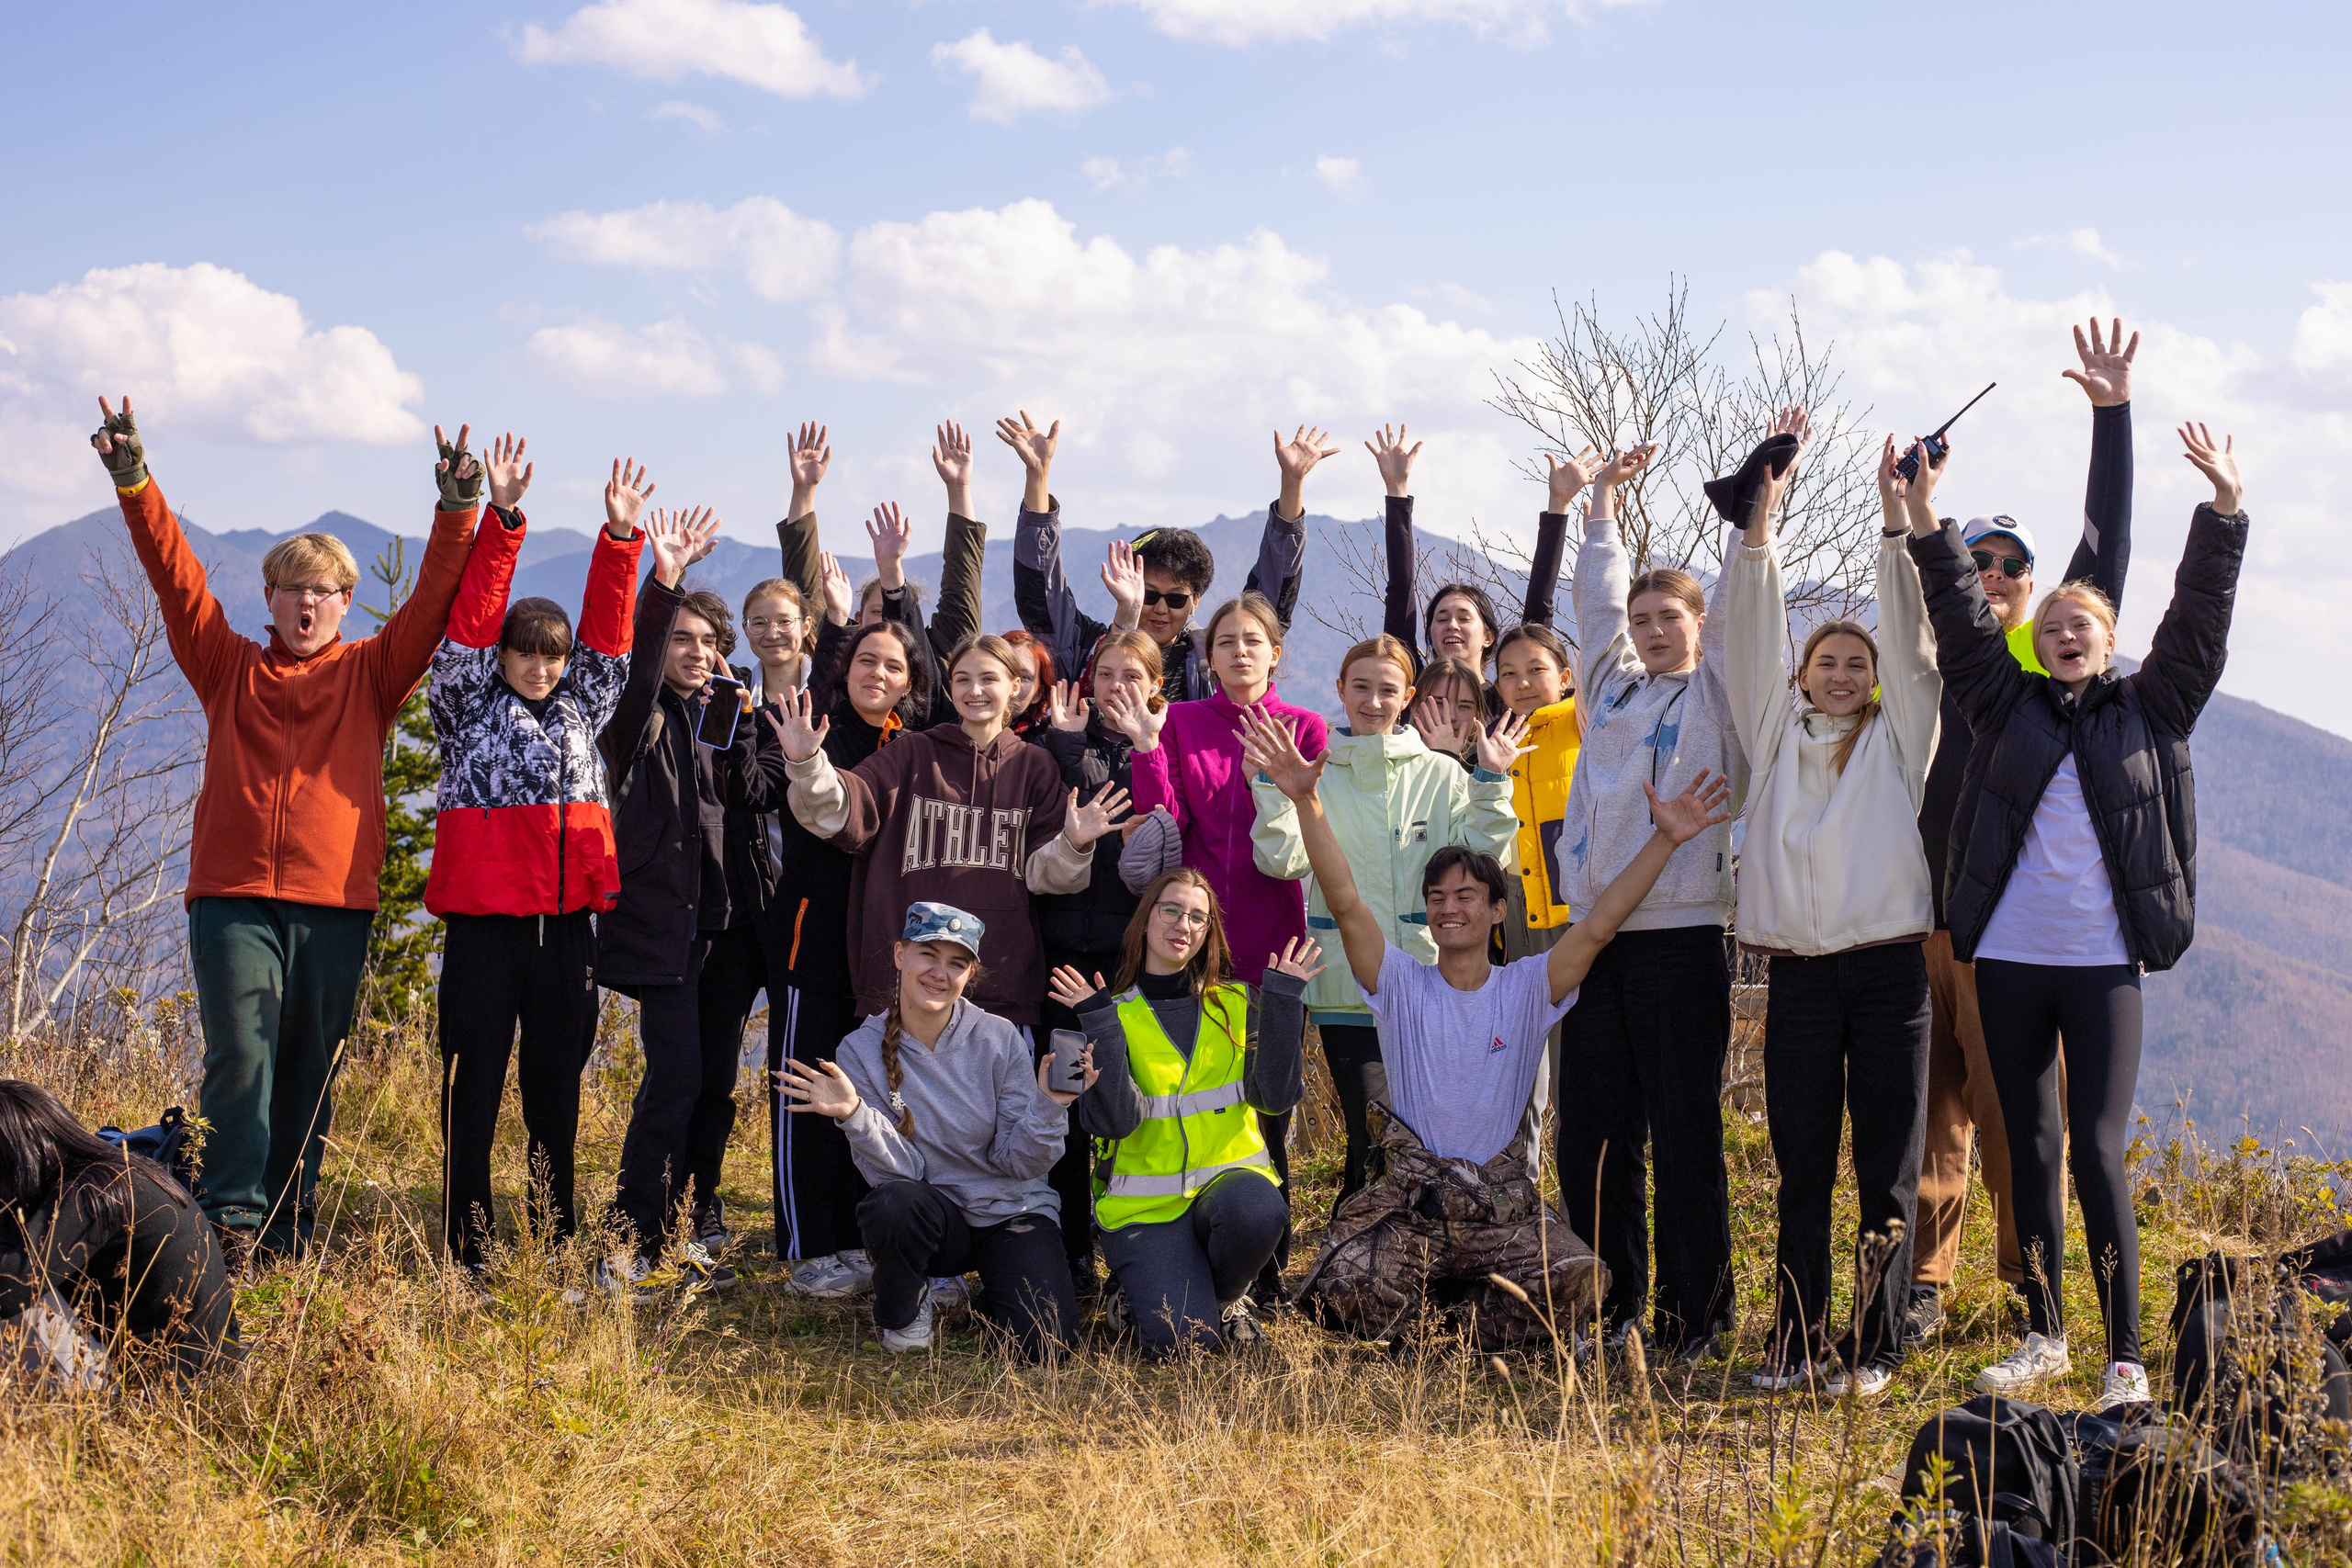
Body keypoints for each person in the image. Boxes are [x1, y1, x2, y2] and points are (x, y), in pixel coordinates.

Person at [87, 397, 478, 1265]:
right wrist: (133, 480)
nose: (308, 605)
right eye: (293, 590)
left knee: (310, 1068)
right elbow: (174, 576)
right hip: (231, 899)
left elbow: (432, 604)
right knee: (243, 1057)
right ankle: (228, 1223)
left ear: (346, 603)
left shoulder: (375, 673)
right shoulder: (227, 664)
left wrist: (457, 510)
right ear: (268, 596)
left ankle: (290, 1232)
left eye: (326, 592)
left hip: (336, 900)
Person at [1917, 421, 2246, 1412]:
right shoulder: (1998, 702)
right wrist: (1926, 517)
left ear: (2109, 641)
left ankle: (2125, 1356)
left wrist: (2224, 513)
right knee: (2031, 1143)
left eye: (2082, 625)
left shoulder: (2153, 708)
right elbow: (1959, 615)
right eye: (2052, 625)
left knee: (2095, 1150)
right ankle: (2043, 1335)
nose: (2064, 634)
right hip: (2009, 961)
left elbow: (2198, 620)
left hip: (2104, 967)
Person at [1241, 708, 1733, 1350]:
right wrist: (1306, 800)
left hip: (1501, 1208)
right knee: (1344, 1284)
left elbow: (1600, 922)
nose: (1449, 909)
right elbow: (1345, 900)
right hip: (1413, 1201)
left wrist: (1665, 839)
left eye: (1466, 895)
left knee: (1578, 1284)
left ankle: (1466, 1309)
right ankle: (1440, 1303)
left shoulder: (1528, 986)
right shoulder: (1399, 981)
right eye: (1438, 896)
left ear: (1498, 909)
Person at [1905, 321, 2140, 1343]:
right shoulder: (1941, 658)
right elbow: (1927, 580)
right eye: (1979, 559)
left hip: (2002, 928)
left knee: (2015, 1121)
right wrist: (1916, 510)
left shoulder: (2040, 677)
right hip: (1917, 907)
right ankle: (1921, 1285)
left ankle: (2022, 1291)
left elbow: (2108, 551)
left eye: (2012, 562)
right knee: (1928, 1117)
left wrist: (2110, 419)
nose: (1993, 571)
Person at [1724, 420, 1944, 1396]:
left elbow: (1912, 644)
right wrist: (1758, 527)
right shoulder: (1772, 739)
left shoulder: (1901, 744)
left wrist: (1895, 527)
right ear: (1803, 673)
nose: (1846, 674)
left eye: (1859, 666)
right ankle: (1797, 1340)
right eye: (1829, 663)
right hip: (1800, 979)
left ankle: (1876, 1345)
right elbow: (1745, 632)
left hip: (1891, 973)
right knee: (1802, 1168)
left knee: (1883, 1173)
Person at [424, 445, 649, 1276]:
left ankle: (553, 1240)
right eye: (525, 650)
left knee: (555, 1092)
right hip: (486, 929)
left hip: (566, 931)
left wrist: (619, 540)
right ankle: (468, 1250)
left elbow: (610, 637)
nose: (541, 664)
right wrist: (504, 521)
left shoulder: (584, 708)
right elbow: (472, 619)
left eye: (551, 654)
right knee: (472, 1091)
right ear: (503, 654)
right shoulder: (464, 703)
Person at [1555, 436, 1750, 1364]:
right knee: (1593, 1132)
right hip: (1595, 938)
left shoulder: (1720, 692)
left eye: (1669, 615)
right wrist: (1599, 510)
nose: (1651, 629)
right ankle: (1615, 1306)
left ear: (1700, 623)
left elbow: (1748, 609)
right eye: (1644, 616)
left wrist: (1756, 518)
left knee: (1681, 1132)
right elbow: (1592, 611)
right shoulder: (1613, 690)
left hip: (1678, 937)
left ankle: (1694, 1316)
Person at [1102, 589, 1329, 1297]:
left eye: (1251, 640)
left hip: (1270, 945)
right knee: (1193, 1100)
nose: (1238, 651)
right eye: (1225, 641)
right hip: (1194, 945)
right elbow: (1161, 821)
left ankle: (1264, 1273)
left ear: (1274, 653)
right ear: (1209, 656)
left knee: (1266, 1104)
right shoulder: (1184, 721)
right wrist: (1146, 746)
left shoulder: (1306, 728)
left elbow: (1303, 830)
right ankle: (1177, 1249)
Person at [1247, 634, 1519, 1207]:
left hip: (1427, 982)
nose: (1373, 701)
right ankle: (1358, 1263)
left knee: (1426, 1133)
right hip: (1344, 984)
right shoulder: (1317, 773)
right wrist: (1273, 789)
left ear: (1408, 696)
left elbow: (1485, 863)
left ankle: (1406, 1262)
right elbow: (1281, 859)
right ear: (1339, 689)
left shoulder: (1440, 775)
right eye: (1361, 687)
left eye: (1387, 690)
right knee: (1374, 1129)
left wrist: (1491, 784)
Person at [770, 634, 1131, 1030]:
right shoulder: (911, 753)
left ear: (1015, 686)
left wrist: (1074, 844)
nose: (974, 691)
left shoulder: (1035, 767)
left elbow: (1045, 876)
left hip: (1001, 993)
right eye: (962, 679)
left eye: (988, 679)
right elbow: (842, 809)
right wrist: (807, 763)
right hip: (905, 992)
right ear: (949, 688)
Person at [776, 904, 1088, 1360]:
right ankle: (906, 1307)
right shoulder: (860, 1050)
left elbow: (1021, 1163)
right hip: (932, 1218)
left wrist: (1051, 1104)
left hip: (1010, 1211)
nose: (940, 973)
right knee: (891, 1204)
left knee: (1046, 1348)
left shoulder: (999, 1038)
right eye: (928, 955)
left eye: (956, 963)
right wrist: (854, 1113)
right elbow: (901, 1173)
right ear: (901, 955)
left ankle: (992, 1299)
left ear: (970, 975)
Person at [594, 504, 770, 1299]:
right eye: (683, 641)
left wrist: (746, 734)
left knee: (712, 1088)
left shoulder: (721, 722)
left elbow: (752, 802)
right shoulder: (638, 719)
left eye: (710, 644)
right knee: (672, 1083)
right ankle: (629, 1240)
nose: (698, 655)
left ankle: (688, 1228)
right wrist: (661, 581)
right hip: (665, 931)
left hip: (723, 932)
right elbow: (632, 680)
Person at [1049, 875, 1316, 1355]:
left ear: (1209, 930)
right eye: (1170, 910)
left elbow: (1275, 1099)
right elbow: (1116, 1123)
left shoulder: (1238, 1003)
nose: (1183, 925)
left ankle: (1228, 1300)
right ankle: (1136, 1291)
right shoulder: (1113, 1013)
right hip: (1143, 1211)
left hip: (1229, 1193)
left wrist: (1283, 1002)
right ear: (1145, 919)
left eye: (1198, 916)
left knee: (1260, 1210)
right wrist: (1098, 1023)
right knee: (1182, 1344)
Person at [759, 603, 931, 1298]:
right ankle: (805, 1246)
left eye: (893, 664)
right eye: (866, 660)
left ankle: (855, 1238)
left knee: (864, 1094)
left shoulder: (909, 741)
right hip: (814, 940)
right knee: (805, 1090)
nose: (878, 672)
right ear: (846, 669)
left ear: (909, 680)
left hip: (877, 950)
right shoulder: (815, 726)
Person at [1007, 411, 1320, 705]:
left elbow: (1269, 603)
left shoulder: (1211, 660)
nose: (1159, 609)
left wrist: (1292, 485)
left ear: (1195, 601)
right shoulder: (1087, 647)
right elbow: (1041, 592)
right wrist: (1038, 475)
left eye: (1175, 599)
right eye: (1149, 594)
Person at [1030, 634, 1164, 1295]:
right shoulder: (1055, 746)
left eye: (1132, 674)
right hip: (1062, 953)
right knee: (1062, 1097)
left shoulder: (1161, 751)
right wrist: (1065, 746)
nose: (1116, 685)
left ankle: (1133, 1247)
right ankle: (1070, 1245)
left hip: (1131, 957)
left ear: (1155, 683)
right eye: (1104, 672)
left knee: (1121, 1102)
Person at [0, 1080, 240, 1382]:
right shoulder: (117, 1171)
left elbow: (10, 1291)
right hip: (207, 1364)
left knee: (20, 1303)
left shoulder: (91, 1192)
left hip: (158, 1387)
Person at [1375, 423, 1599, 705]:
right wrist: (1397, 489)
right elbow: (1400, 592)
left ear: (1489, 636)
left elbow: (1539, 604)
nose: (1451, 626)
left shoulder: (1511, 697)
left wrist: (1559, 503)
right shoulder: (1411, 693)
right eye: (1441, 619)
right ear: (1429, 637)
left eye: (1464, 618)